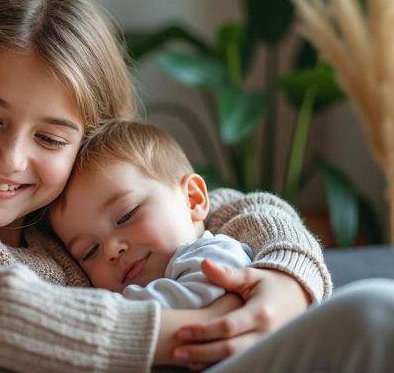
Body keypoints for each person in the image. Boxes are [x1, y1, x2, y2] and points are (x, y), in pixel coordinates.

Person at [0, 0, 394, 373]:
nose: (10, 158)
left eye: (51, 138)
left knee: (392, 313)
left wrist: (286, 283)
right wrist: (199, 329)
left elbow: (232, 205)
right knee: (387, 317)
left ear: (84, 143)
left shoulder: (64, 215)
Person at [49, 120, 253, 309]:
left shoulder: (218, 255)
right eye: (90, 251)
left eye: (126, 215)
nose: (111, 249)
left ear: (193, 199)